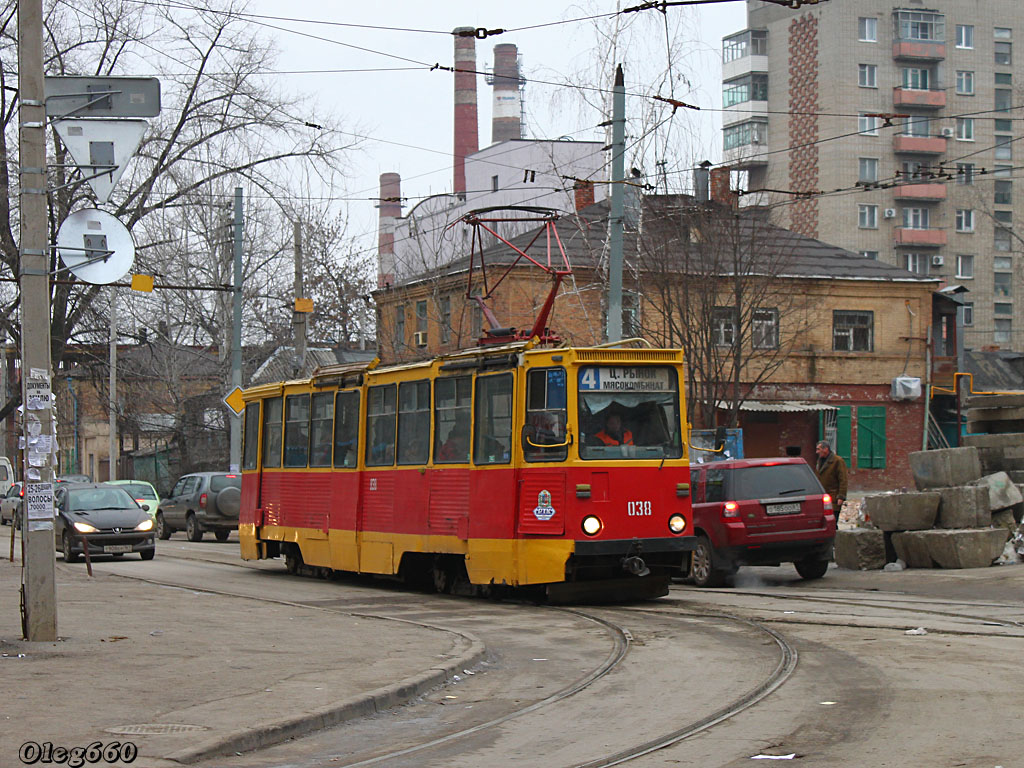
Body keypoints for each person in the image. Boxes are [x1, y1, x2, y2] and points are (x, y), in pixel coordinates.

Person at [815, 440, 848, 520]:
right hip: (823, 496)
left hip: (833, 497)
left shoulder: (837, 461)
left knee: (833, 520)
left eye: (818, 449)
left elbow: (843, 480)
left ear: (825, 449)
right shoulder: (820, 461)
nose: (817, 452)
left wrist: (841, 496)